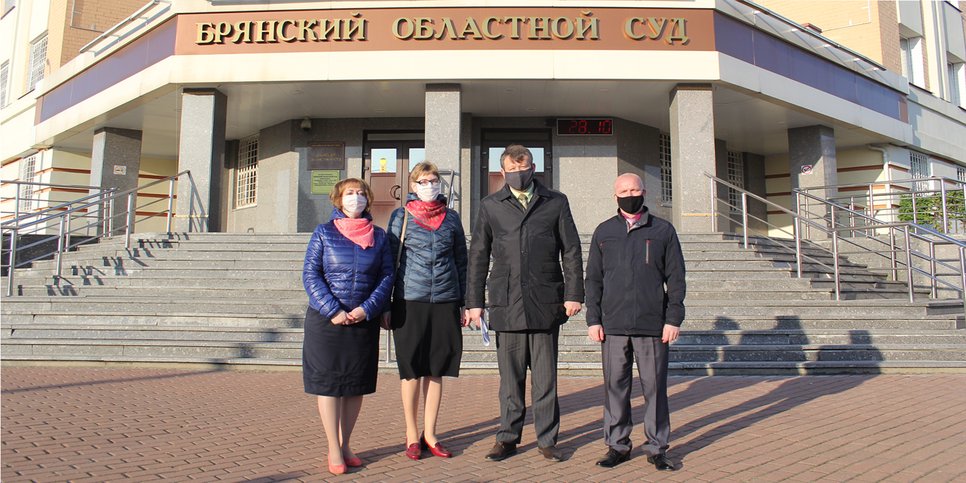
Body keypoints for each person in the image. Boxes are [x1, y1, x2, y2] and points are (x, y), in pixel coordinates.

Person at [464, 144, 584, 463]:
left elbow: (570, 249)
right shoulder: (491, 205)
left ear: (533, 167)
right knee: (510, 380)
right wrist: (474, 302)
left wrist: (574, 293)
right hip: (506, 302)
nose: (519, 173)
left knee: (545, 379)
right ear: (502, 172)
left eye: (524, 166)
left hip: (546, 301)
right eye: (512, 169)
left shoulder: (555, 202)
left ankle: (547, 439)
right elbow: (478, 255)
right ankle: (508, 437)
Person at [584, 173, 685, 472]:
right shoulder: (604, 232)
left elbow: (676, 279)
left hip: (653, 326)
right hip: (613, 325)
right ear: (615, 196)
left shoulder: (663, 230)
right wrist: (593, 319)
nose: (630, 194)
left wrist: (673, 318)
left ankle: (657, 447)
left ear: (645, 192)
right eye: (624, 190)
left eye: (635, 189)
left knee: (654, 388)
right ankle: (617, 445)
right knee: (615, 387)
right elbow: (593, 280)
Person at [302, 178, 394, 476]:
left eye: (360, 193)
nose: (356, 198)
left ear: (368, 199)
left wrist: (367, 309)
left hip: (362, 321)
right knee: (329, 385)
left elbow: (386, 276)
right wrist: (333, 310)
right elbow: (311, 275)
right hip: (327, 321)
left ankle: (346, 444)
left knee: (355, 384)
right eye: (349, 194)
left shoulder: (379, 237)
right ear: (338, 200)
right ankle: (332, 447)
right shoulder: (323, 233)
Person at [385, 162, 468, 461]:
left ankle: (430, 433)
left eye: (433, 180)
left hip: (445, 300)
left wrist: (466, 302)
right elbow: (389, 263)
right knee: (411, 371)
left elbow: (462, 261)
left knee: (436, 370)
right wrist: (385, 305)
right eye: (423, 180)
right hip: (410, 300)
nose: (429, 185)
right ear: (412, 185)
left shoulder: (452, 218)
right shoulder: (400, 216)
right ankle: (411, 434)